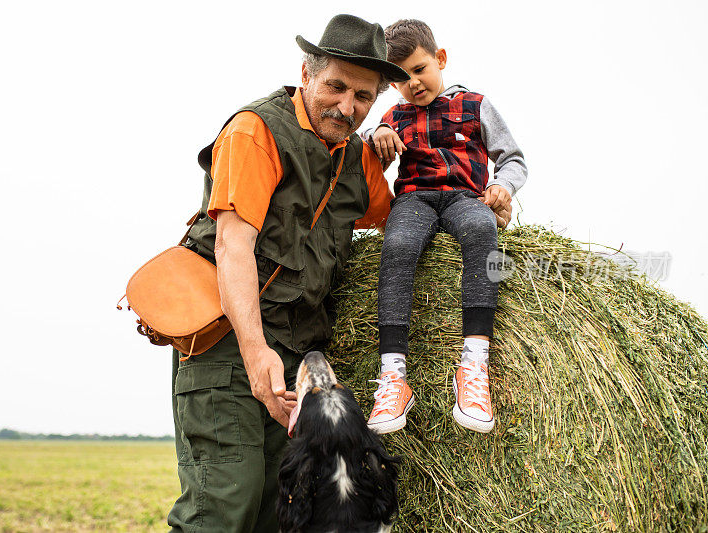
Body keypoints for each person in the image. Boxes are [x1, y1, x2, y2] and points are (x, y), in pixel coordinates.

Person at [167, 15, 513, 533]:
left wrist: (487, 205)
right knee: (226, 506)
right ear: (306, 74)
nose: (348, 106)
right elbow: (232, 245)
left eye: (364, 96)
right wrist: (256, 350)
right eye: (336, 86)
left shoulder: (359, 159)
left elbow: (402, 229)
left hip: (301, 360)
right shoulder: (256, 132)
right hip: (230, 348)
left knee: (275, 514)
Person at [364, 19, 527, 436]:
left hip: (464, 196)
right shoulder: (394, 116)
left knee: (483, 234)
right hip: (415, 198)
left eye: (420, 70)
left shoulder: (474, 105)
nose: (413, 83)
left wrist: (501, 187)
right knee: (397, 246)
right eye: (401, 79)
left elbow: (513, 159)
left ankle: (474, 366)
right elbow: (364, 147)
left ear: (440, 59)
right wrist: (377, 131)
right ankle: (393, 376)